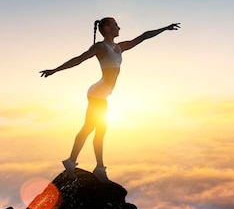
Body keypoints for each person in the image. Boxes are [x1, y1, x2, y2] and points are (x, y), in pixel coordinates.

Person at [40, 17, 180, 183]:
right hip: (97, 94)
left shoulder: (119, 47)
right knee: (96, 130)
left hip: (102, 94)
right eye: (115, 25)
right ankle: (92, 167)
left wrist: (165, 28)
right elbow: (79, 59)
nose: (119, 27)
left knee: (92, 129)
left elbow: (144, 36)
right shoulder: (100, 47)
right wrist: (55, 70)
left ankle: (76, 163)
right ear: (106, 29)